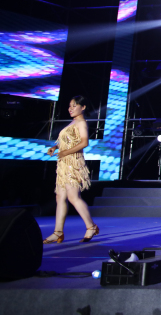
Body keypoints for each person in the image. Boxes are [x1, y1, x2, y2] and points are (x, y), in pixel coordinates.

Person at [43, 95, 99, 243]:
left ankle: (91, 226)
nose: (71, 109)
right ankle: (58, 232)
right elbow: (68, 141)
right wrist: (55, 147)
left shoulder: (81, 122)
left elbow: (84, 142)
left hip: (73, 163)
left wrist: (65, 152)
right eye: (70, 106)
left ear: (83, 107)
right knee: (60, 197)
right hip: (63, 164)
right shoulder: (73, 122)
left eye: (74, 106)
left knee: (73, 197)